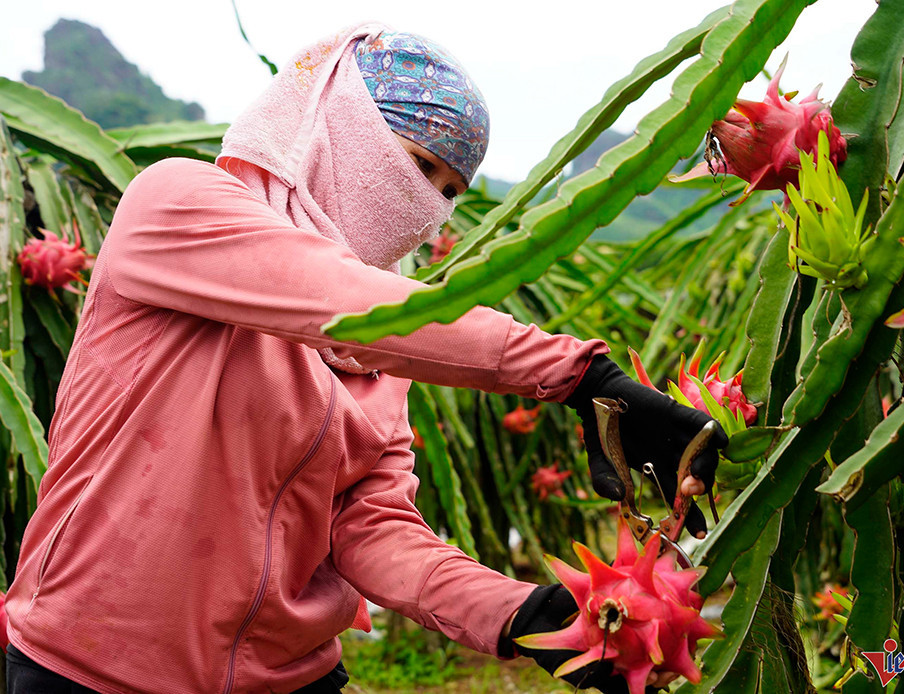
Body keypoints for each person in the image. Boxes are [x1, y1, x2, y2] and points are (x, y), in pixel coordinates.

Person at [3, 23, 727, 694]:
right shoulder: (177, 206)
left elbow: (369, 528)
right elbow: (341, 304)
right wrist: (583, 377)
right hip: (86, 668)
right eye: (417, 167)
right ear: (342, 126)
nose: (428, 209)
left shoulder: (388, 356)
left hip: (290, 679)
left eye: (450, 193)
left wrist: (522, 616)